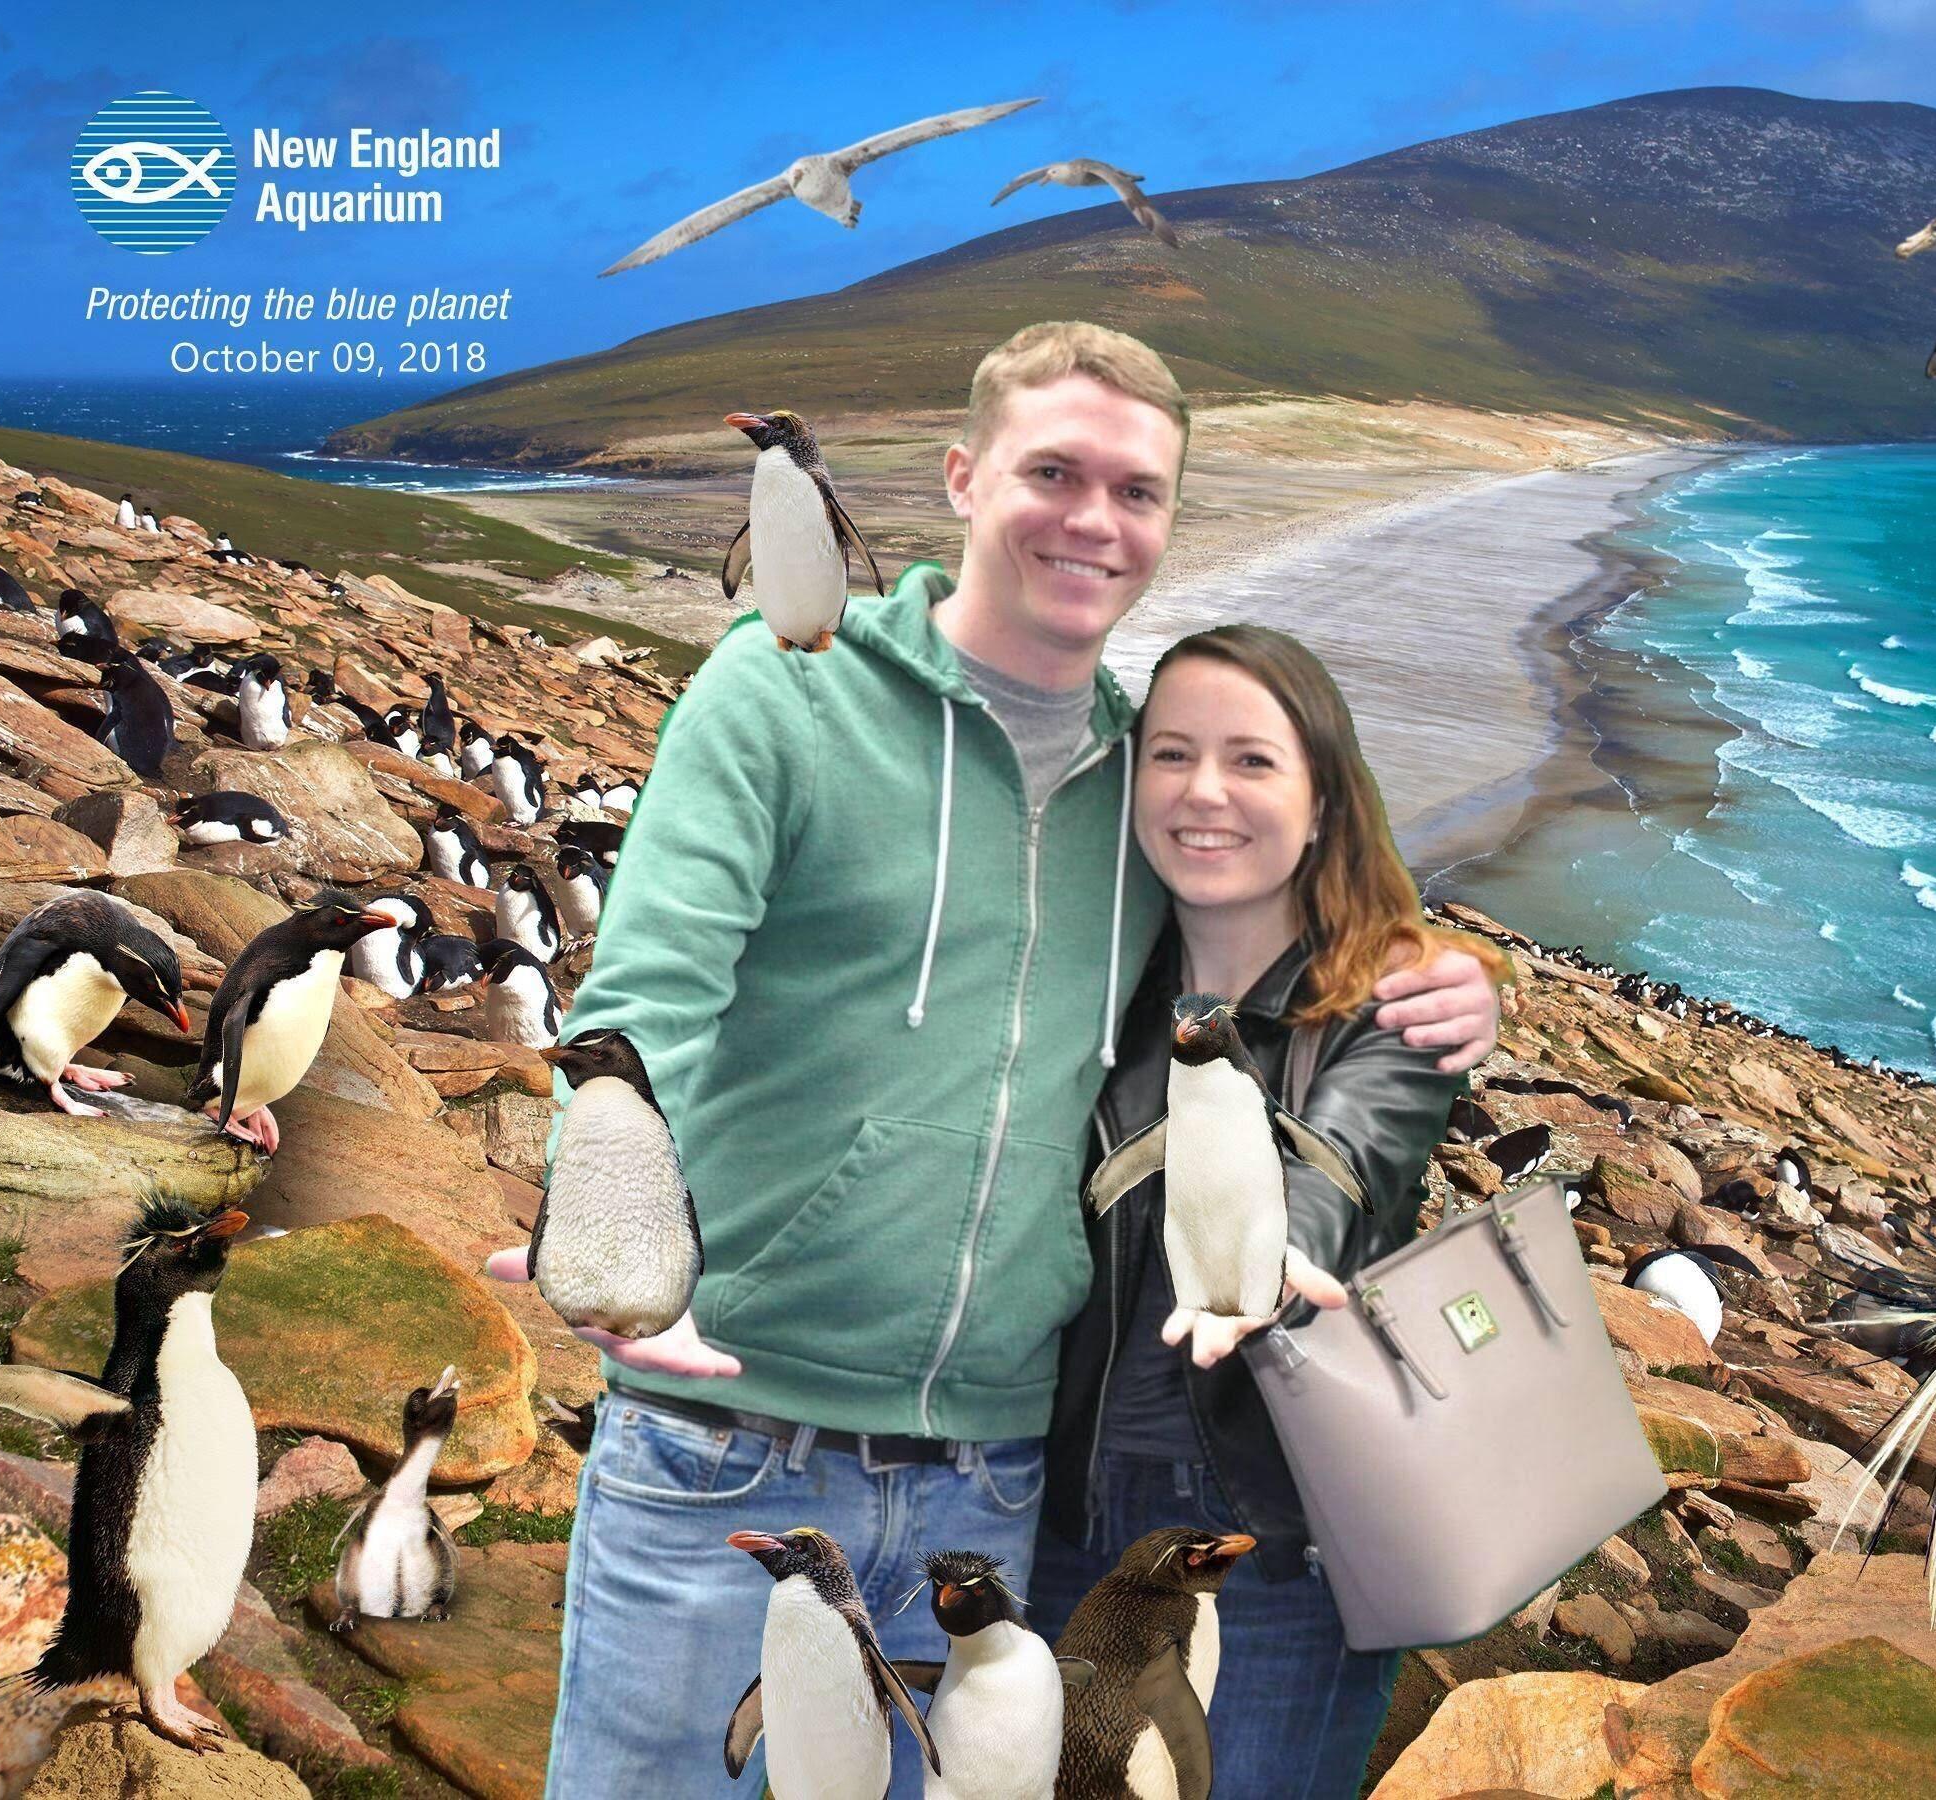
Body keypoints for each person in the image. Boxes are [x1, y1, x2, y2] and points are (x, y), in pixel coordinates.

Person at [498, 322, 1502, 1800]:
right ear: (964, 477)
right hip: (735, 1439)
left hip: (998, 1488)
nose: (1094, 520)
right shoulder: (784, 695)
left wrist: (1451, 975)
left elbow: (1298, 936)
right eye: (1053, 471)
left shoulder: (1142, 782)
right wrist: (603, 1219)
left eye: (1138, 491)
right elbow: (649, 994)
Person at [1029, 624, 1505, 1796]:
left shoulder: (1390, 1003)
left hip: (1276, 1541)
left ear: (1324, 802)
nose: (1205, 792)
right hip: (1064, 1513)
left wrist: (1276, 1253)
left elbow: (1346, 1153)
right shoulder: (1083, 982)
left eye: (1251, 761)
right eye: (1172, 753)